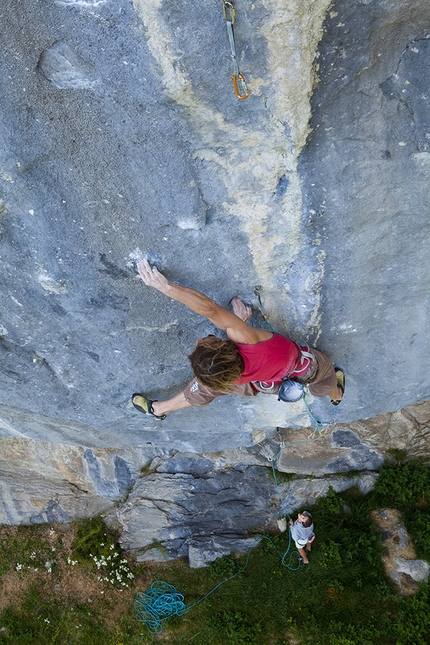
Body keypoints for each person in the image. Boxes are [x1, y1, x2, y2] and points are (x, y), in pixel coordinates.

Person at [132, 259, 345, 420]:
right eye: (205, 342)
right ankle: (336, 393)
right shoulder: (247, 340)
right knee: (323, 383)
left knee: (205, 384)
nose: (198, 340)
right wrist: (166, 287)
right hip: (304, 369)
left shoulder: (229, 375)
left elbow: (227, 361)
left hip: (263, 384)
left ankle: (158, 409)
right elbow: (210, 309)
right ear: (225, 346)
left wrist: (238, 322)